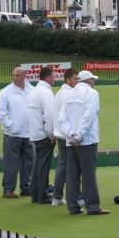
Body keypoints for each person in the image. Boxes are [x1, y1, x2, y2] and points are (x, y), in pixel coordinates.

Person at [60, 70, 109, 215]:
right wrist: (79, 135)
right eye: (93, 80)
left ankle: (73, 207)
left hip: (71, 140)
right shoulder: (92, 93)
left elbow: (62, 118)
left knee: (72, 174)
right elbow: (89, 116)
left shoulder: (68, 94)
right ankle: (93, 207)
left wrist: (70, 134)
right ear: (89, 81)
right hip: (86, 140)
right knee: (88, 175)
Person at [0, 66, 34, 199]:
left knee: (28, 162)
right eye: (13, 75)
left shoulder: (32, 90)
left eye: (18, 76)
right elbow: (0, 112)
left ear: (24, 76)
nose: (15, 78)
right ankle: (8, 189)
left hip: (29, 134)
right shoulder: (6, 92)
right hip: (12, 134)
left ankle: (26, 187)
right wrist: (11, 126)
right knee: (11, 163)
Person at [28, 66, 56, 204]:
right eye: (54, 76)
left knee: (37, 165)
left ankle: (35, 195)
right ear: (48, 77)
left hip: (34, 133)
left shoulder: (33, 91)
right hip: (44, 135)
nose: (55, 79)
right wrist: (51, 135)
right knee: (43, 166)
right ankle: (43, 196)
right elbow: (49, 116)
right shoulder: (46, 93)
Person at [51, 68, 79, 207]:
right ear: (67, 79)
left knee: (62, 166)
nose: (77, 81)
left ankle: (57, 197)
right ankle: (76, 197)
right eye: (75, 78)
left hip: (60, 134)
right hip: (66, 135)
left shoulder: (59, 93)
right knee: (73, 167)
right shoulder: (69, 94)